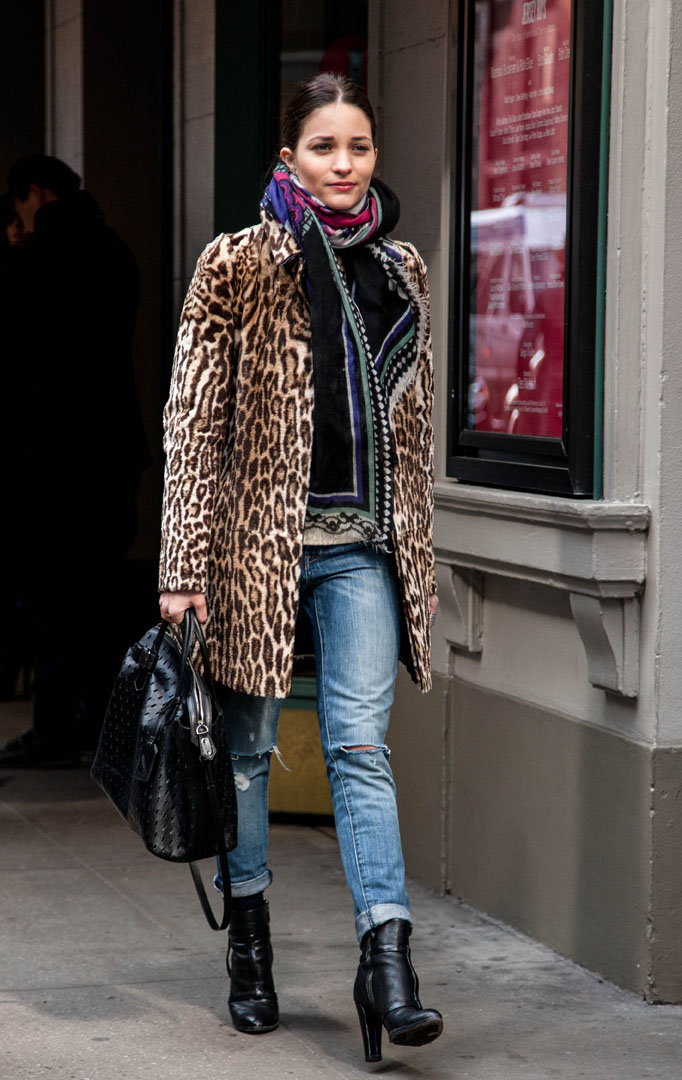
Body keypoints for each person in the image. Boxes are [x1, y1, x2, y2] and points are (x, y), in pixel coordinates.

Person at [159, 73, 442, 1063]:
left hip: (362, 547)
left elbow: (412, 436)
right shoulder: (237, 263)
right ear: (291, 158)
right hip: (254, 552)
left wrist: (415, 553)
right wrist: (182, 565)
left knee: (360, 748)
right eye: (324, 147)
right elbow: (193, 423)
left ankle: (386, 960)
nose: (343, 164)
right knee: (244, 755)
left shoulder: (400, 268)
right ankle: (250, 945)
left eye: (358, 146)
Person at [0, 156, 149, 766]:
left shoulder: (43, 258)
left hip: (53, 457)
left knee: (50, 597)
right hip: (111, 449)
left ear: (36, 193)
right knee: (98, 593)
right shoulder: (114, 250)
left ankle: (56, 729)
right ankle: (101, 724)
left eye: (19, 207)